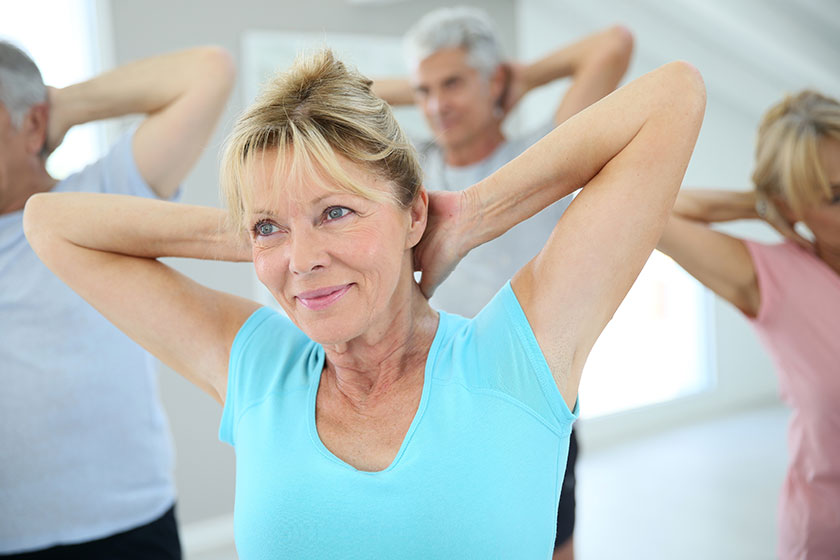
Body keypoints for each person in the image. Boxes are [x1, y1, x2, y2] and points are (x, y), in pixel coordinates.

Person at [23, 48, 704, 558]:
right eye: (270, 227)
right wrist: (264, 233)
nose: (304, 259)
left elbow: (672, 97)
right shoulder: (258, 368)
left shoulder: (517, 355)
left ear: (412, 215)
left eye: (338, 211)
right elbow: (50, 224)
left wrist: (465, 214)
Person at [375, 9, 634, 557]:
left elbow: (613, 44)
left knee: (550, 545)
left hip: (531, 394)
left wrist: (519, 79)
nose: (436, 105)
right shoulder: (411, 169)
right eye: (423, 90)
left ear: (494, 81)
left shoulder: (545, 157)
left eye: (453, 84)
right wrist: (436, 82)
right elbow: (349, 93)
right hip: (432, 396)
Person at [0, 41, 234, 558]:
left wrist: (62, 108)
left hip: (125, 530)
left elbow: (207, 71)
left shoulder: (101, 196)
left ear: (31, 127)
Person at [657, 90, 840, 559]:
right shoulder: (770, 277)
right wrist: (756, 204)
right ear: (792, 205)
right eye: (836, 196)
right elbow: (652, 213)